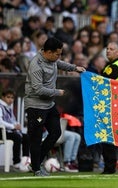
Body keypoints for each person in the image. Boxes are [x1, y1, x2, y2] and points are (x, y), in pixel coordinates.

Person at [24, 37, 86, 176]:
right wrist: (58, 92)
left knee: (56, 132)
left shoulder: (52, 59)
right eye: (57, 54)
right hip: (36, 105)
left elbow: (60, 63)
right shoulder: (36, 65)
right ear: (49, 52)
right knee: (36, 137)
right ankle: (36, 169)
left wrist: (75, 68)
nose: (59, 56)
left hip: (49, 104)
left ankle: (36, 162)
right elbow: (38, 89)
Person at [100, 42, 118, 174]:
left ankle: (109, 167)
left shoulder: (115, 67)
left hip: (111, 105)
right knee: (106, 137)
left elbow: (102, 82)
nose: (108, 51)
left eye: (111, 49)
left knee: (108, 137)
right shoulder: (111, 65)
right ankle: (108, 166)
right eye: (107, 48)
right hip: (110, 105)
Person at [0, 88, 30, 171]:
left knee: (26, 137)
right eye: (8, 97)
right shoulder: (0, 106)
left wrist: (17, 125)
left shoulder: (8, 107)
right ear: (3, 97)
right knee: (17, 137)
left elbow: (12, 120)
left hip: (8, 131)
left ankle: (26, 161)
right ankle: (16, 162)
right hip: (1, 132)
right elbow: (0, 122)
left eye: (12, 98)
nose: (10, 100)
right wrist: (13, 126)